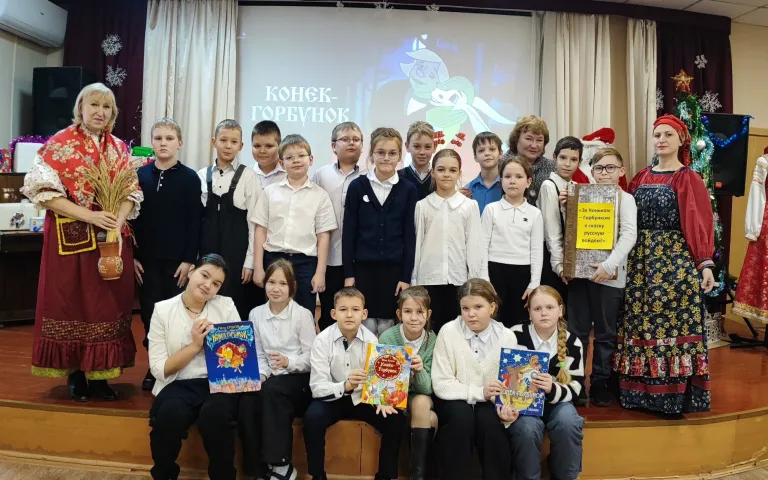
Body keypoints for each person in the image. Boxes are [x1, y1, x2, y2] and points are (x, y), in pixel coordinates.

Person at [22, 82, 142, 402]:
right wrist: (90, 216)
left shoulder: (119, 148)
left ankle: (102, 373)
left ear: (113, 112)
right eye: (94, 105)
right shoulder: (59, 145)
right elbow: (44, 194)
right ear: (80, 108)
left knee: (108, 304)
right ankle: (75, 373)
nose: (100, 112)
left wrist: (116, 222)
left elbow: (131, 192)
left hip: (109, 239)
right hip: (70, 242)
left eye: (106, 106)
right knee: (71, 303)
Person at [613, 114, 715, 415]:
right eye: (657, 134)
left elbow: (698, 222)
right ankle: (636, 394)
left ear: (681, 139)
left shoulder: (688, 178)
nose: (661, 140)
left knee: (672, 327)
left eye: (668, 134)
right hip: (639, 265)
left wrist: (704, 264)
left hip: (674, 266)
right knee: (638, 325)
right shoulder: (640, 177)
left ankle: (672, 398)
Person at [147, 254, 243, 480]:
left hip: (218, 383)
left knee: (215, 415)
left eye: (216, 284)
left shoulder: (226, 306)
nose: (208, 285)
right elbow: (159, 369)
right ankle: (164, 474)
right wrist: (195, 346)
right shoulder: (163, 310)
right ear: (191, 272)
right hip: (179, 383)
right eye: (204, 275)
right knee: (170, 415)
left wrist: (217, 345)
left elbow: (239, 359)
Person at [303, 287, 406, 480]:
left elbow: (380, 380)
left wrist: (382, 398)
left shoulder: (372, 341)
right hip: (332, 398)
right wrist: (345, 386)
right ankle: (318, 475)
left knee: (395, 419)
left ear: (364, 314)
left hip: (363, 399)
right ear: (333, 314)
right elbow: (317, 388)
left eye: (355, 309)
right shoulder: (322, 340)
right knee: (312, 418)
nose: (349, 315)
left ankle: (384, 476)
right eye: (343, 309)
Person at [134, 117, 202, 392]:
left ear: (179, 143)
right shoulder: (139, 176)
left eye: (169, 138)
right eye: (158, 138)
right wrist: (133, 256)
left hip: (177, 263)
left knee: (177, 315)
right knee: (150, 315)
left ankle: (178, 366)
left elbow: (194, 221)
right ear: (151, 142)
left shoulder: (189, 178)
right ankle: (155, 367)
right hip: (146, 261)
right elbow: (132, 220)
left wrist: (189, 260)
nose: (163, 143)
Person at [566, 147, 637, 407]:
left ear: (621, 171)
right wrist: (566, 206)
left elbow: (629, 234)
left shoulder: (625, 199)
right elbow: (570, 232)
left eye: (610, 167)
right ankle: (575, 382)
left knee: (606, 333)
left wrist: (608, 265)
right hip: (580, 276)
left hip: (611, 276)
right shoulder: (580, 195)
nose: (604, 172)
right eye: (598, 168)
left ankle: (600, 382)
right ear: (592, 172)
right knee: (577, 331)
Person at [239, 259, 316, 480]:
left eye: (283, 283)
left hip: (298, 378)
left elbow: (312, 359)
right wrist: (260, 377)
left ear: (292, 287)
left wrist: (288, 362)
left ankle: (282, 465)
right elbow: (258, 354)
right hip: (270, 378)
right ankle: (257, 469)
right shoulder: (255, 314)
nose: (276, 288)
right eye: (271, 282)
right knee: (247, 400)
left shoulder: (302, 315)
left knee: (272, 391)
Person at [431, 278, 514, 480]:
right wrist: (478, 392)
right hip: (454, 399)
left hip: (490, 401)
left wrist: (507, 408)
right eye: (465, 308)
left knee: (491, 424)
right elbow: (441, 384)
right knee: (461, 420)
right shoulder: (448, 332)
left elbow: (509, 386)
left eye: (478, 307)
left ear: (492, 307)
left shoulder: (507, 337)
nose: (471, 314)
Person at [342, 127, 418, 336]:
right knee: (366, 325)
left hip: (394, 271)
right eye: (381, 152)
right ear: (371, 154)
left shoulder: (408, 189)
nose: (386, 158)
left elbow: (409, 236)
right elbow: (349, 233)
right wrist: (349, 274)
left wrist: (406, 276)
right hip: (363, 270)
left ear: (400, 155)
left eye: (392, 153)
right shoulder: (357, 187)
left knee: (387, 327)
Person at [253, 134, 337, 316]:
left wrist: (320, 272)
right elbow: (260, 230)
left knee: (304, 312)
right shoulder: (270, 192)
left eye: (301, 156)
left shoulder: (320, 196)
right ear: (282, 163)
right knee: (272, 310)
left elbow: (323, 236)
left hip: (305, 263)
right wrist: (258, 267)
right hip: (273, 258)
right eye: (289, 157)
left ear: (311, 159)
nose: (296, 161)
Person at [507, 286, 585, 480]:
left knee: (569, 422)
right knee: (526, 429)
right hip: (523, 405)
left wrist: (553, 388)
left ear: (560, 310)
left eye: (550, 307)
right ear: (529, 313)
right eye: (537, 308)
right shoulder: (513, 335)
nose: (544, 313)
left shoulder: (572, 343)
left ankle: (564, 476)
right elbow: (503, 375)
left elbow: (576, 387)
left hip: (557, 403)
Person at [412, 149, 484, 332]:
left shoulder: (469, 206)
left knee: (456, 331)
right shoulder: (423, 206)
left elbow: (474, 247)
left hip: (459, 280)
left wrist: (476, 282)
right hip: (428, 279)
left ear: (459, 173)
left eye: (452, 170)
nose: (446, 174)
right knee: (430, 331)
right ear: (433, 172)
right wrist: (414, 282)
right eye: (441, 169)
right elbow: (417, 246)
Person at [198, 119, 263, 320]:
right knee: (206, 305)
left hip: (237, 257)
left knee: (235, 307)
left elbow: (254, 224)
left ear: (241, 146)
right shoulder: (201, 176)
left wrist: (250, 262)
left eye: (234, 142)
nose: (228, 146)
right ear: (214, 142)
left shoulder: (249, 177)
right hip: (207, 254)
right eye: (223, 140)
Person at [378, 286, 438, 480]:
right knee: (431, 419)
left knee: (422, 402)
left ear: (428, 314)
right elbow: (381, 380)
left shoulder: (432, 341)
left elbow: (427, 389)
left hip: (419, 396)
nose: (414, 318)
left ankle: (417, 476)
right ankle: (420, 473)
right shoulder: (388, 337)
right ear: (399, 314)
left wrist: (419, 371)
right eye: (408, 311)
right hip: (394, 398)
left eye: (420, 312)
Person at [481, 156, 544, 327]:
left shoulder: (535, 213)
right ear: (501, 181)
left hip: (523, 273)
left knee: (518, 323)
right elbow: (482, 246)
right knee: (493, 321)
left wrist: (534, 283)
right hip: (494, 272)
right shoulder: (491, 209)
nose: (512, 181)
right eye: (507, 176)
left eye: (519, 176)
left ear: (528, 181)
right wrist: (485, 279)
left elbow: (537, 251)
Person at [312, 122, 363, 331]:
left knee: (356, 313)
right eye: (345, 139)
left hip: (359, 258)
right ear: (334, 146)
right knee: (328, 311)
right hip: (329, 256)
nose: (351, 143)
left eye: (356, 140)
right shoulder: (321, 175)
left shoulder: (369, 175)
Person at [537, 136, 582, 303]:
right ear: (554, 157)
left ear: (579, 162)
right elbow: (552, 230)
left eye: (573, 159)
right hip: (554, 258)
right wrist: (559, 266)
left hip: (571, 257)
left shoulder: (576, 187)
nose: (567, 164)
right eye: (563, 158)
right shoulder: (549, 186)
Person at [500, 115, 555, 205]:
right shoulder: (500, 164)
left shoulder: (553, 168)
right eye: (529, 139)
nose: (534, 145)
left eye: (539, 140)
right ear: (516, 139)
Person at [460, 131, 503, 214]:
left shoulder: (508, 186)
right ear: (475, 157)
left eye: (492, 149)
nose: (487, 153)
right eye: (481, 150)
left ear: (500, 153)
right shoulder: (468, 190)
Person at [398, 121, 436, 200]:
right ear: (407, 147)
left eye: (427, 147)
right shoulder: (397, 177)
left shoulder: (440, 177)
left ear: (434, 147)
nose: (422, 152)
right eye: (417, 146)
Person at [252, 120, 286, 187]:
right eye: (257, 146)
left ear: (280, 146)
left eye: (268, 146)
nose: (262, 151)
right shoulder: (245, 175)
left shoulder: (290, 174)